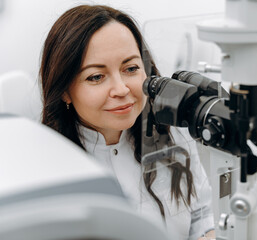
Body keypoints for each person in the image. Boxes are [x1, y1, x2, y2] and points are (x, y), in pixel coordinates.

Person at [39, 4, 215, 240]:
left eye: (131, 68)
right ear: (65, 91)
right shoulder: (47, 172)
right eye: (96, 77)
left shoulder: (174, 134)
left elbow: (203, 214)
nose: (121, 89)